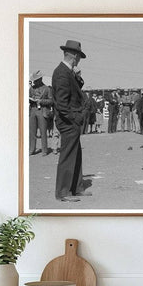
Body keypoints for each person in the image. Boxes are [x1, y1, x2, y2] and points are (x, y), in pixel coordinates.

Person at [52, 39, 91, 202]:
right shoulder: (62, 73)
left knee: (76, 154)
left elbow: (74, 91)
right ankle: (63, 192)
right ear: (74, 56)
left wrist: (76, 77)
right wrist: (75, 118)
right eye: (79, 57)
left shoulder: (67, 72)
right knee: (68, 155)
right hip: (68, 121)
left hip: (70, 120)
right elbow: (61, 103)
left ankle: (76, 188)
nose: (79, 60)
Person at [29, 70, 53, 156]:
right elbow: (28, 97)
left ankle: (44, 150)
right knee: (32, 132)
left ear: (40, 79)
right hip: (33, 110)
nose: (34, 81)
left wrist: (41, 101)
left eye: (36, 80)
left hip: (42, 111)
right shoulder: (31, 88)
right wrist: (30, 99)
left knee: (43, 132)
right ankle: (31, 149)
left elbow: (51, 101)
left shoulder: (47, 89)